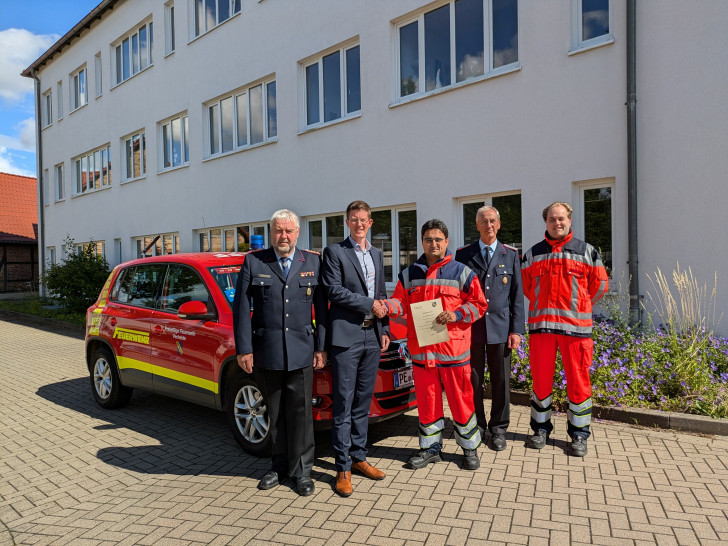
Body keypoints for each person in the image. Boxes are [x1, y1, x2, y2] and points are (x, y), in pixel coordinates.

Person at [232, 209, 327, 495]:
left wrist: (321, 347)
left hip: (302, 352)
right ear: (271, 233)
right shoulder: (254, 261)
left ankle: (302, 472)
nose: (283, 236)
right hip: (268, 351)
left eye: (288, 231)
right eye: (278, 231)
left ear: (297, 233)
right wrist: (244, 349)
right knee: (273, 412)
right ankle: (278, 465)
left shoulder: (312, 261)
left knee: (301, 415)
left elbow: (321, 309)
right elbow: (240, 309)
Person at [381, 219, 486, 470]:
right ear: (422, 242)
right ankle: (430, 448)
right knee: (427, 402)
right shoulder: (409, 274)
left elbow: (480, 305)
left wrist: (457, 314)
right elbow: (399, 303)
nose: (433, 244)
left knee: (461, 401)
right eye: (428, 239)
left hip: (454, 352)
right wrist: (384, 307)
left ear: (446, 242)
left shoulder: (461, 272)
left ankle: (469, 448)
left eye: (438, 239)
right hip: (422, 352)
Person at [521, 202, 609, 457]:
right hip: (542, 330)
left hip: (576, 331)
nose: (556, 223)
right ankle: (540, 429)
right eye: (551, 219)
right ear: (545, 221)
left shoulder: (587, 251)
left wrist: (580, 305)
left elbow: (600, 285)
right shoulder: (533, 254)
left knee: (579, 384)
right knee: (540, 383)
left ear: (570, 220)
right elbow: (527, 288)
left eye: (561, 219)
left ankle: (579, 435)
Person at [321, 200, 390, 497]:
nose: (359, 224)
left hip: (371, 337)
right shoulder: (335, 252)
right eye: (354, 219)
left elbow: (382, 294)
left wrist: (384, 328)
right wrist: (368, 305)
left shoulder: (376, 253)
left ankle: (360, 457)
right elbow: (333, 290)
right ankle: (342, 466)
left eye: (363, 220)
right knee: (343, 403)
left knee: (363, 400)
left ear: (370, 223)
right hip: (346, 339)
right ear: (347, 222)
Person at [455, 206, 525, 451]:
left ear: (499, 223)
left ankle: (498, 429)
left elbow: (517, 296)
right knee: (472, 380)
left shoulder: (510, 254)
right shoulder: (463, 255)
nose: (489, 225)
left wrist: (516, 330)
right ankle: (478, 425)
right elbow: (458, 294)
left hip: (501, 327)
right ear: (477, 225)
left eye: (493, 221)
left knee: (500, 381)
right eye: (484, 221)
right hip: (471, 329)